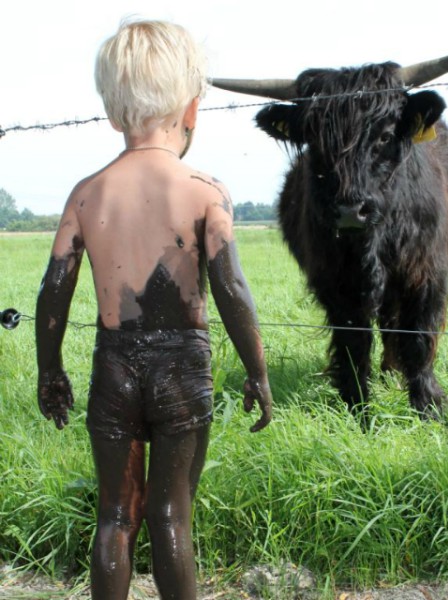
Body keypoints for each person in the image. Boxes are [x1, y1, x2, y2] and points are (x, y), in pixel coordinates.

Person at [35, 18, 273, 600]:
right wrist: (259, 371)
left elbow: (53, 291)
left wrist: (50, 370)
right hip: (181, 369)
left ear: (113, 114)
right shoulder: (203, 191)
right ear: (192, 108)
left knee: (115, 516)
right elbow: (233, 291)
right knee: (171, 515)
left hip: (113, 364)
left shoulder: (87, 194)